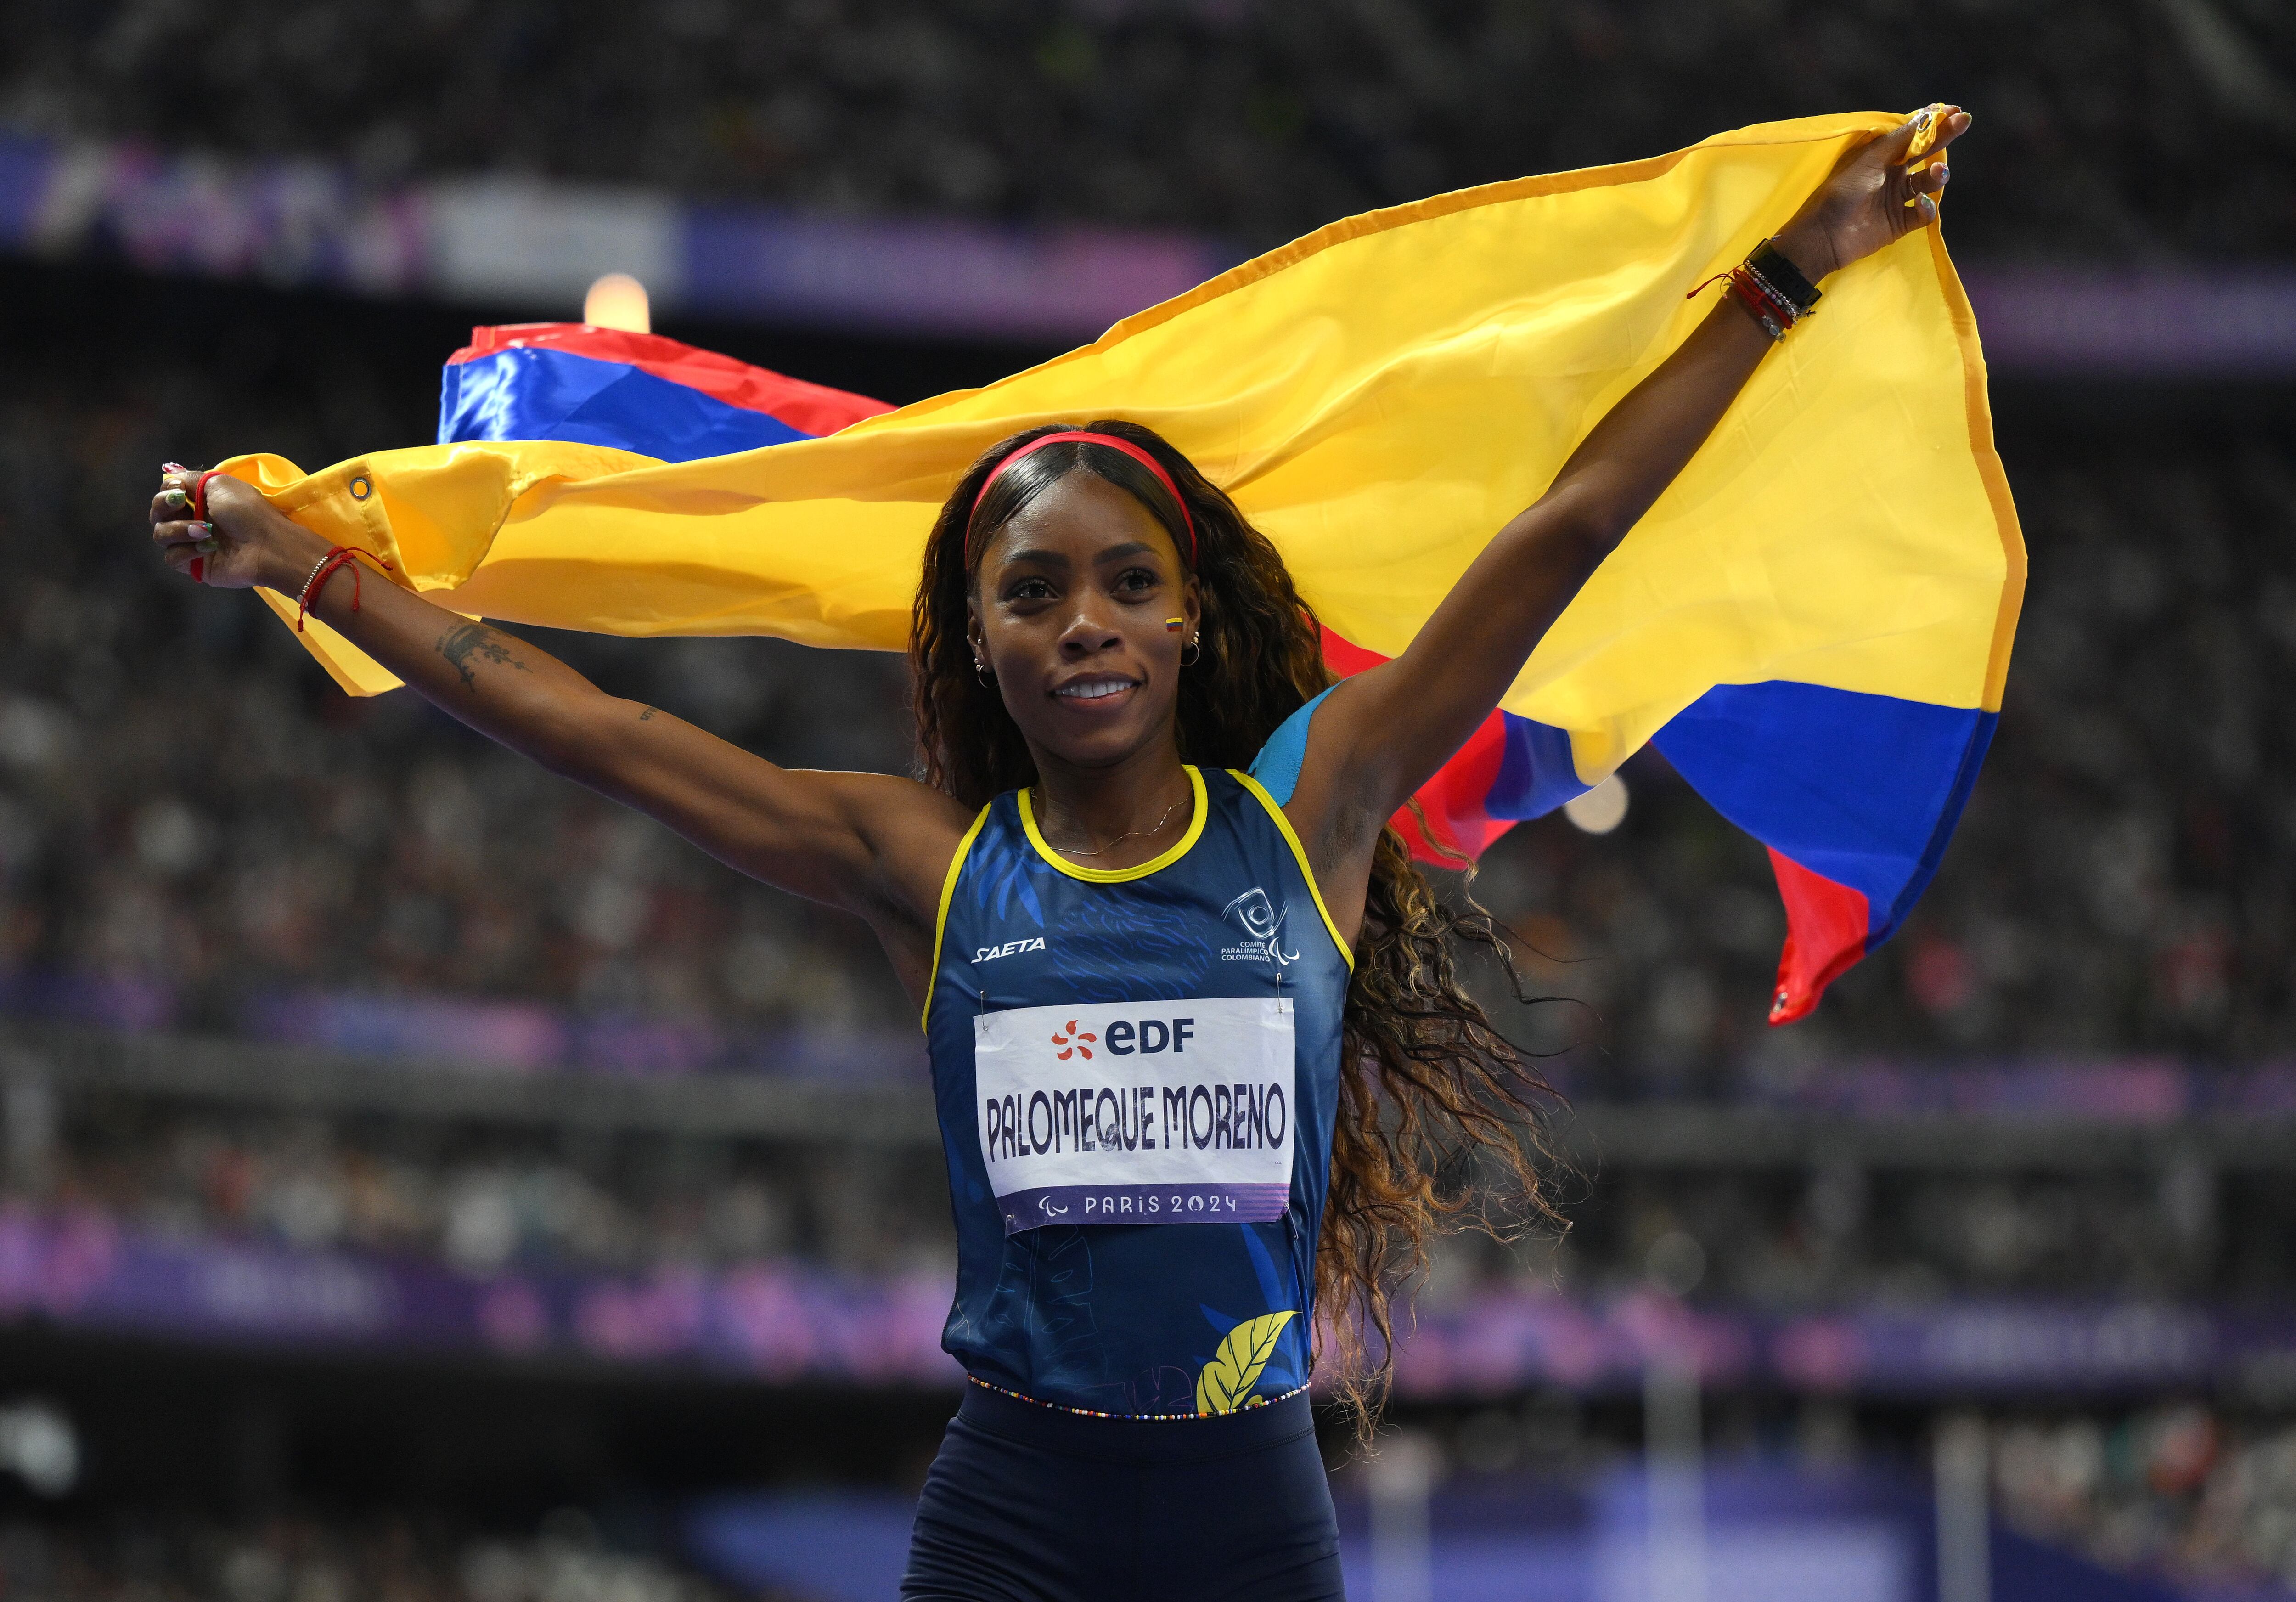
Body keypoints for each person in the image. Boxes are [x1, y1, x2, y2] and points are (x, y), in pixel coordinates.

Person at [151, 109, 1965, 1602]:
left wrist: (1783, 277)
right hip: (1012, 1500)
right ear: (981, 646)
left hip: (1253, 1506)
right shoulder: (922, 865)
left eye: (1122, 583)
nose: (1081, 621)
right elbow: (592, 728)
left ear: (1186, 626)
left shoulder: (1311, 802)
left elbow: (1564, 521)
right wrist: (308, 566)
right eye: (1032, 592)